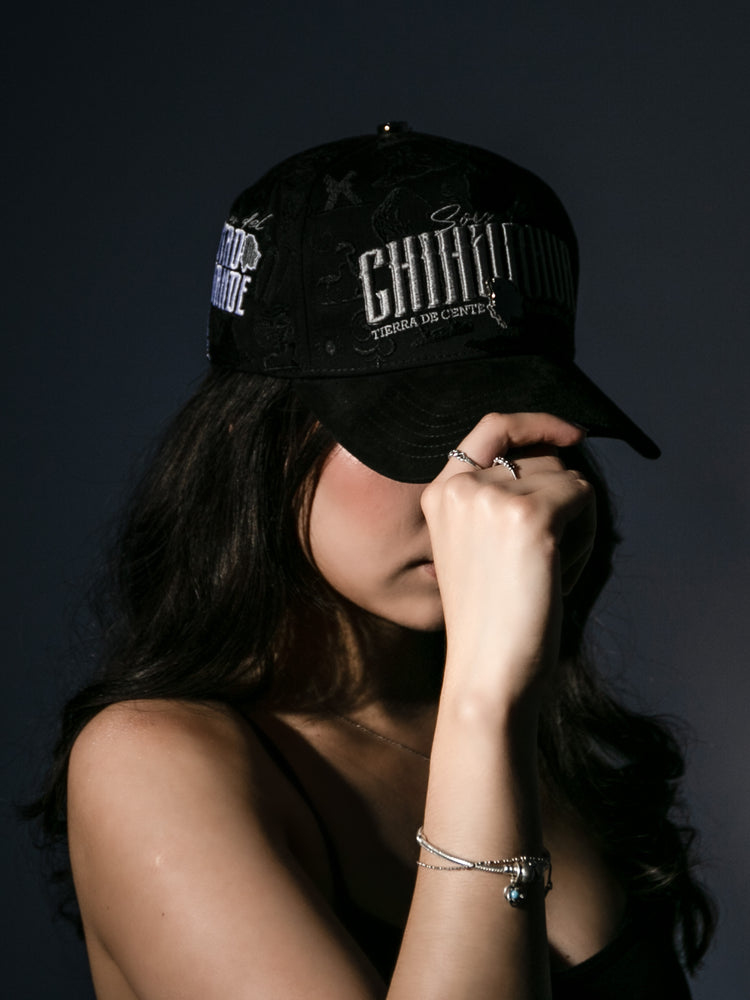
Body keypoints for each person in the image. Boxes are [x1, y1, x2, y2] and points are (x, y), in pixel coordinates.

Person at [31, 122, 714, 999]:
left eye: (521, 427)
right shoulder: (152, 763)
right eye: (424, 430)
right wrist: (484, 702)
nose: (479, 490)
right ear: (259, 440)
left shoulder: (552, 736)